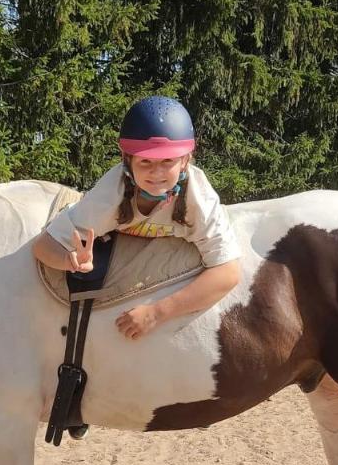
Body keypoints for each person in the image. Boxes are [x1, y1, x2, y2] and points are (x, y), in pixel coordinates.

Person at [32, 96, 242, 339]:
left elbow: (228, 271)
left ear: (185, 160)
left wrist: (157, 312)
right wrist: (71, 261)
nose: (156, 173)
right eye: (145, 162)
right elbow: (43, 246)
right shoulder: (111, 193)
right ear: (127, 159)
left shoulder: (198, 197)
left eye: (167, 161)